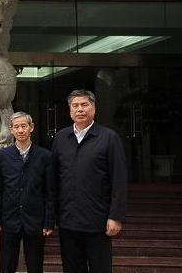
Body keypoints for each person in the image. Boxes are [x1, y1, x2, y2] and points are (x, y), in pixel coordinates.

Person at [52, 90, 127, 273]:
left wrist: (115, 216)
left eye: (84, 105)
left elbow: (119, 179)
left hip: (98, 221)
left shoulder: (108, 138)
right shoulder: (61, 138)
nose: (80, 109)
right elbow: (53, 179)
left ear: (93, 108)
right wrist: (52, 215)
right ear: (70, 110)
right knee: (72, 268)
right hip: (68, 221)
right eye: (75, 106)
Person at [0, 112, 54, 273]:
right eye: (16, 127)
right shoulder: (2, 156)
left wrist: (48, 221)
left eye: (24, 126)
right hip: (9, 219)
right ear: (11, 130)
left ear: (31, 128)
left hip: (35, 220)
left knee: (35, 265)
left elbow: (49, 192)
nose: (20, 130)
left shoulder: (45, 156)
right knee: (7, 265)